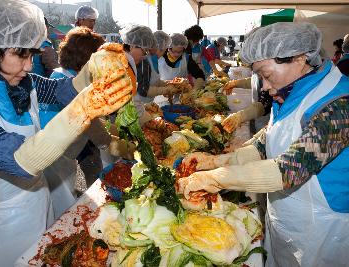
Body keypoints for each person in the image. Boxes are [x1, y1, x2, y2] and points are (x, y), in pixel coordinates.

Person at [0, 0, 134, 266]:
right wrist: (83, 109)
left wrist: (95, 67)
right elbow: (18, 161)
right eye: (21, 55)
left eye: (31, 55)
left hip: (37, 199)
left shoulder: (21, 78)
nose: (28, 66)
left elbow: (65, 91)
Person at [178, 22, 349, 267]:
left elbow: (289, 169)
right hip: (288, 220)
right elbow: (267, 140)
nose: (265, 87)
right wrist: (217, 161)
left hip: (324, 233)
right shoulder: (294, 90)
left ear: (299, 58)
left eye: (266, 75)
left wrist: (216, 178)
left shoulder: (339, 103)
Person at [49, 26, 133, 188]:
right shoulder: (65, 83)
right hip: (56, 161)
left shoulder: (65, 75)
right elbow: (97, 132)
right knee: (62, 204)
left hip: (67, 154)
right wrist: (125, 147)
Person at [136, 30, 185, 104]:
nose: (163, 53)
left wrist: (167, 84)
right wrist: (165, 90)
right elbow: (143, 90)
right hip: (138, 103)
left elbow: (155, 81)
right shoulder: (144, 62)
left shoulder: (154, 61)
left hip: (148, 102)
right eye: (163, 50)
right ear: (158, 48)